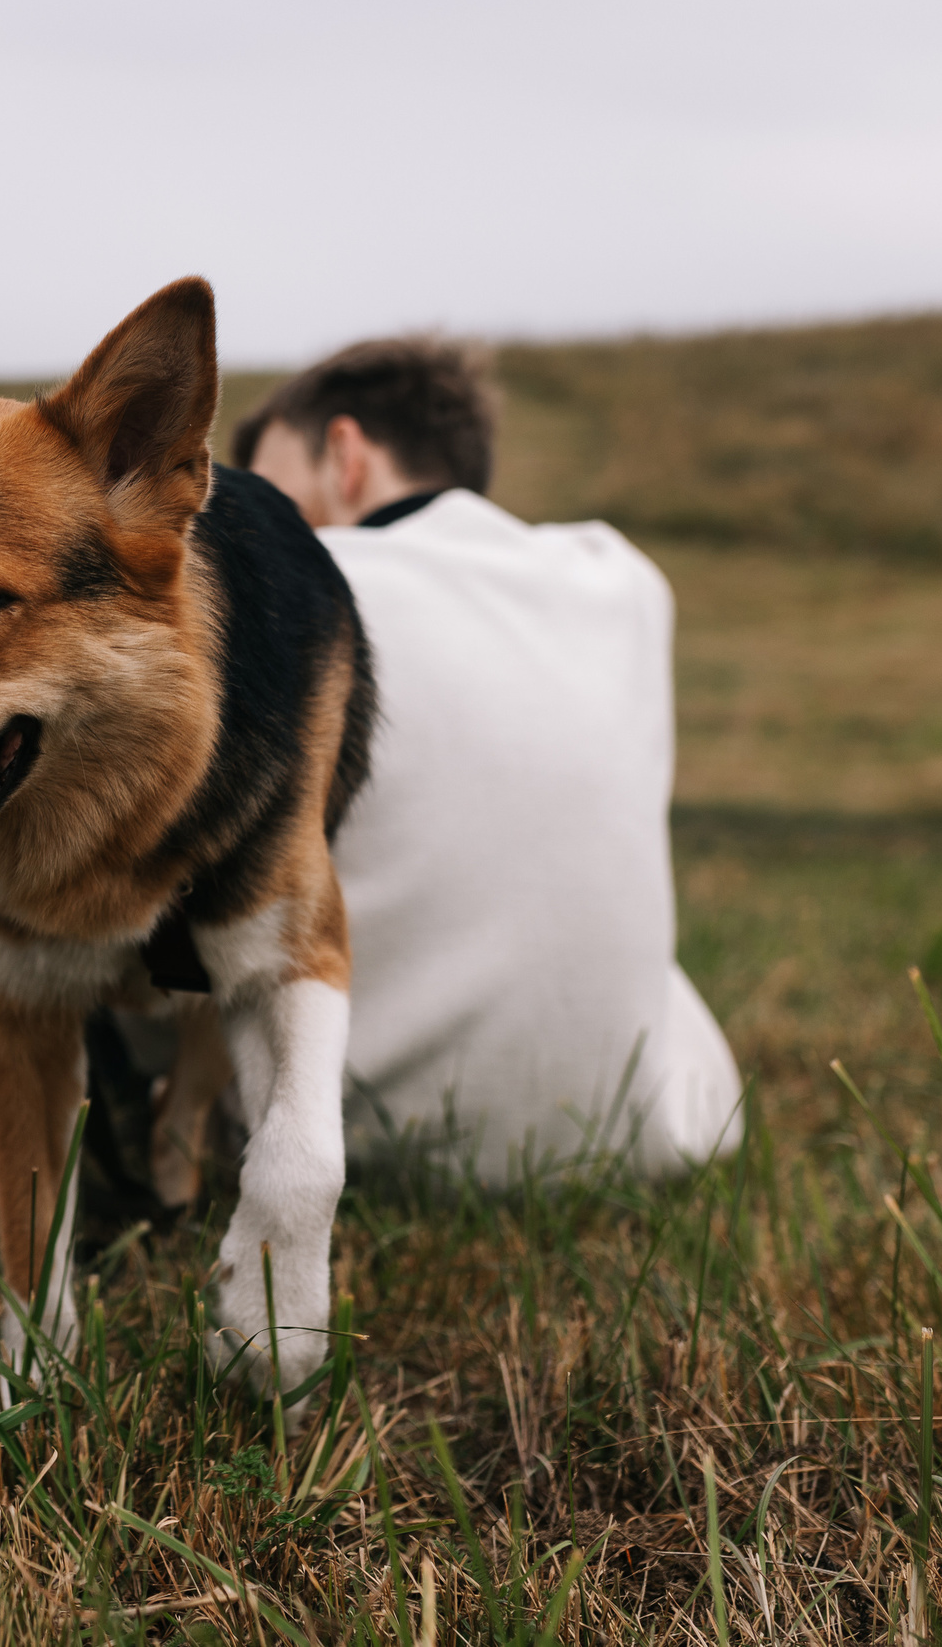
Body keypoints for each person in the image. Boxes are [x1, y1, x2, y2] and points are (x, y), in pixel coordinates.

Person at [227, 337, 742, 1181]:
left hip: (358, 1137)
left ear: (345, 456)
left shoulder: (306, 581)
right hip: (652, 1125)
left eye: (275, 491)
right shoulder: (622, 582)